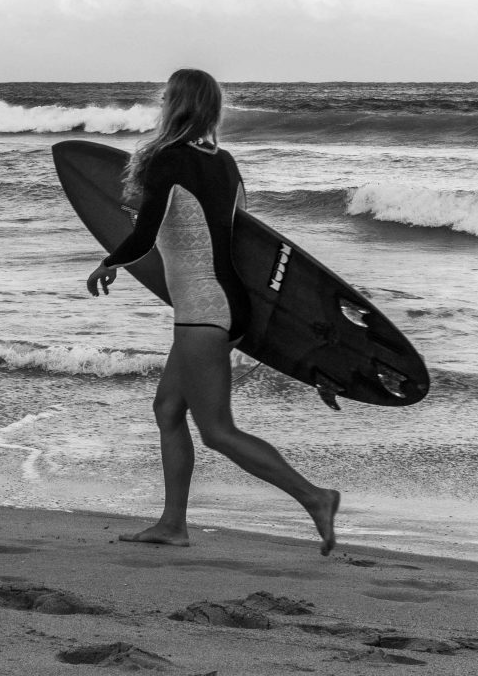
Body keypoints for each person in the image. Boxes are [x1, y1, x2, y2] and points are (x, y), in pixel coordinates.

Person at [87, 69, 339, 554]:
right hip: (224, 304)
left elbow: (147, 232)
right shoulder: (225, 162)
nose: (161, 99)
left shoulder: (167, 158)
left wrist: (108, 262)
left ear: (176, 103)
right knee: (167, 410)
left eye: (166, 95)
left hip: (203, 309)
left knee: (218, 431)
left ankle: (315, 497)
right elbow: (245, 239)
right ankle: (172, 524)